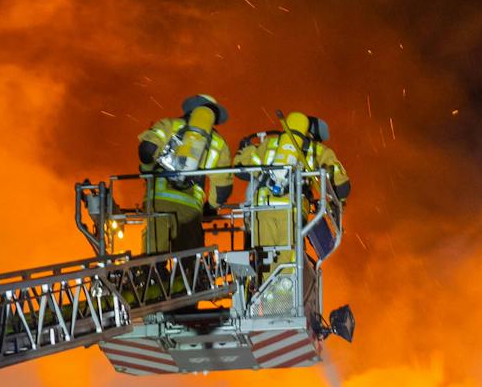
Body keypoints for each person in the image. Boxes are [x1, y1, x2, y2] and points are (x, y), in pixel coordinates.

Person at [234, 111, 351, 270]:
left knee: (263, 256)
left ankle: (260, 288)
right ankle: (279, 294)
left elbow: (241, 167)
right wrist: (337, 202)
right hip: (292, 212)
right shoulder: (317, 149)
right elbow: (342, 185)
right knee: (288, 260)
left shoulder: (270, 144)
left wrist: (245, 149)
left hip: (262, 209)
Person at [137, 94, 235, 254]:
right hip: (191, 209)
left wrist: (146, 171)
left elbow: (146, 150)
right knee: (188, 263)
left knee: (153, 258)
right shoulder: (218, 143)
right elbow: (223, 190)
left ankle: (155, 275)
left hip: (158, 202)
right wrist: (209, 207)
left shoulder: (169, 124)